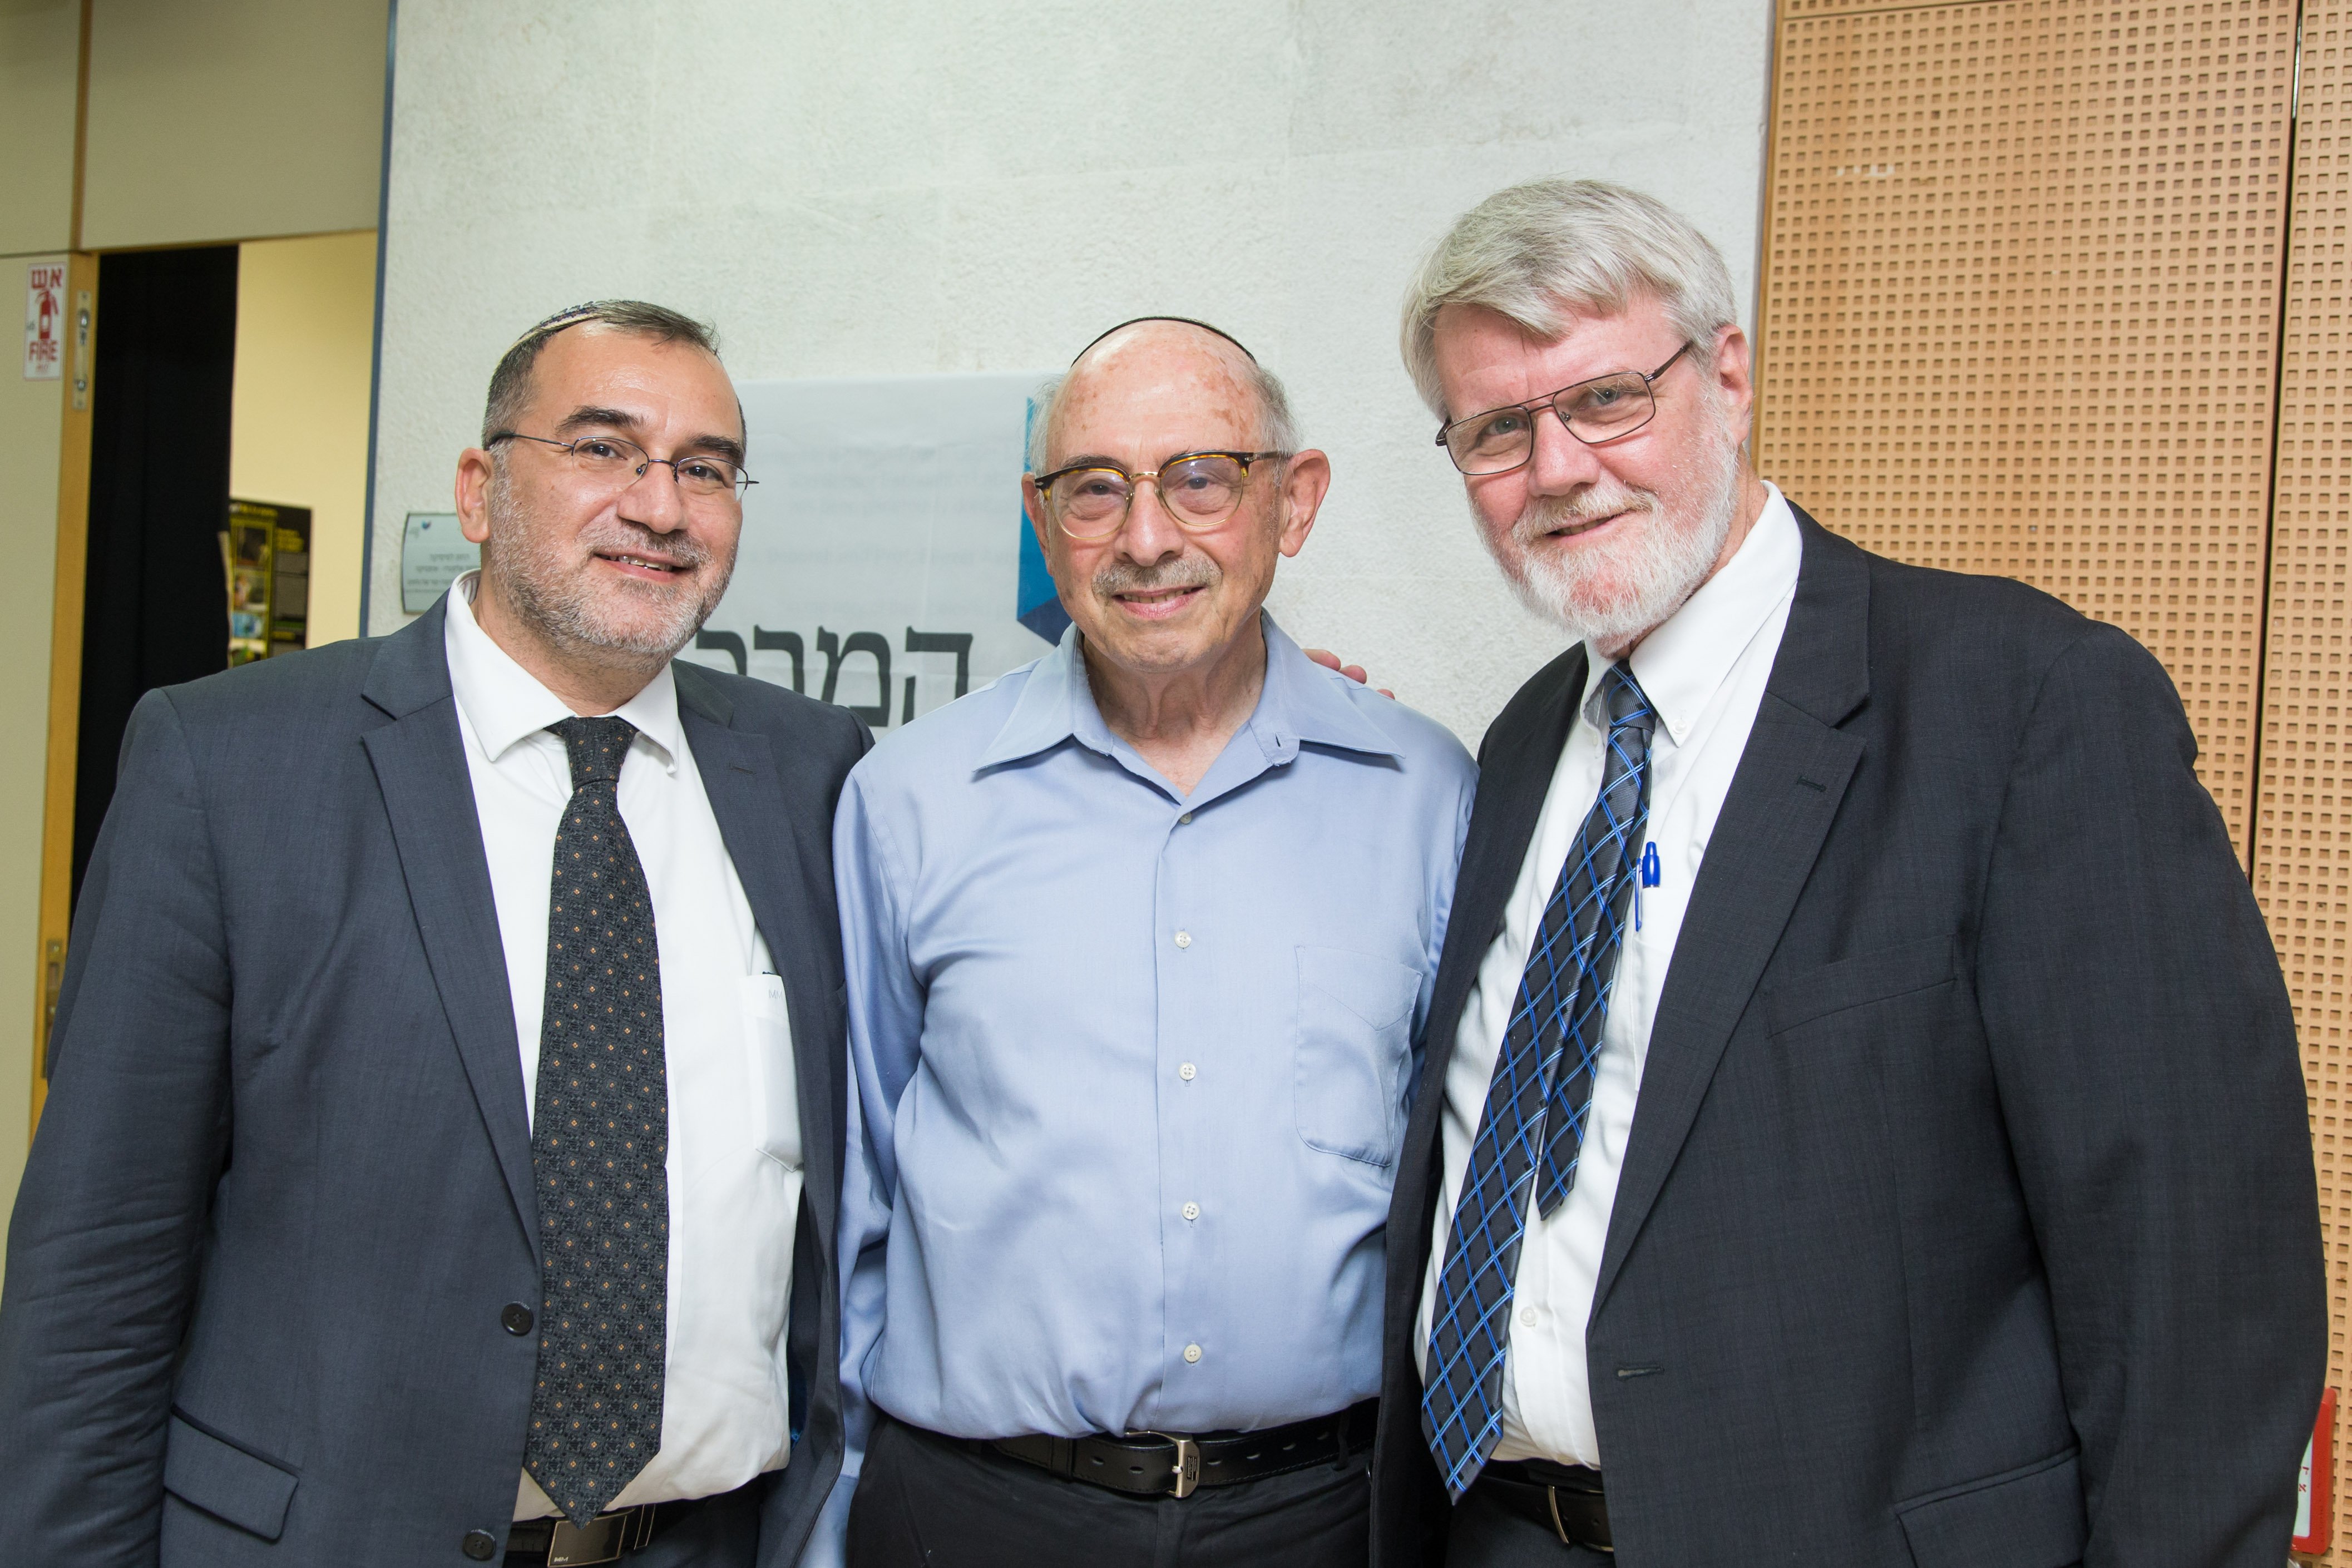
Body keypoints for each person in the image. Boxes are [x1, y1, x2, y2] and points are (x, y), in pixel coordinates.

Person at [1367, 179, 2326, 1566]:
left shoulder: (2020, 707)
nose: (1557, 468)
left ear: (1727, 377)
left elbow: (2194, 1274)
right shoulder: (1524, 746)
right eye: (1496, 430)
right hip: (1497, 1533)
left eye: (1606, 399)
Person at [0, 300, 866, 1567]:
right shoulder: (230, 764)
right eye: (602, 448)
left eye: (706, 469)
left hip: (714, 1542)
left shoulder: (808, 771)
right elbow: (98, 1267)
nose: (660, 506)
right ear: (478, 488)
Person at [825, 317, 1476, 1567]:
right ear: (1041, 519)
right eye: (1094, 490)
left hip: (1322, 1518)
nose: (1144, 539)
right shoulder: (908, 799)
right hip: (977, 1517)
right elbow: (858, 1204)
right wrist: (841, 1506)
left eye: (1200, 479)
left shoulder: (1424, 794)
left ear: (1294, 500)